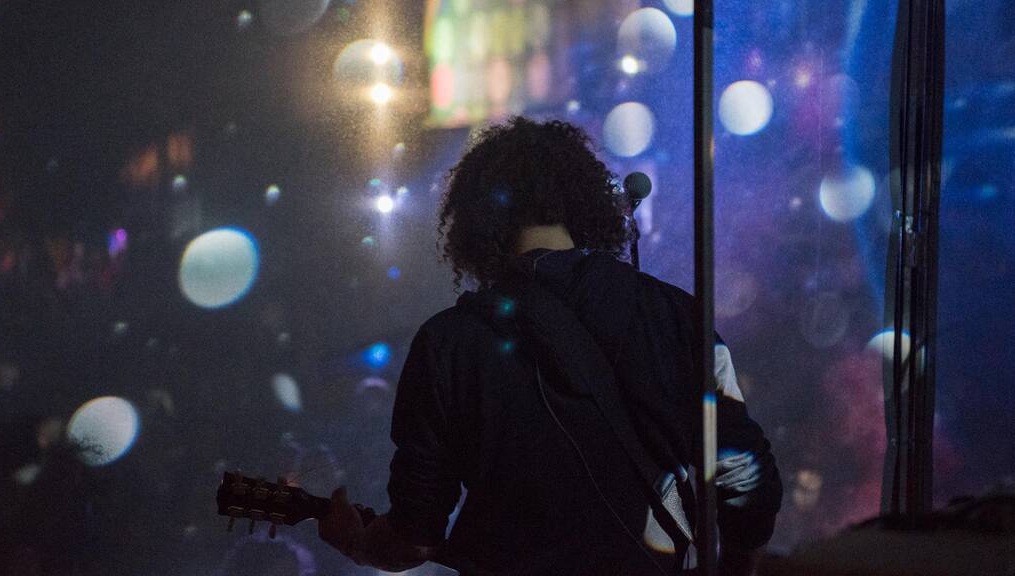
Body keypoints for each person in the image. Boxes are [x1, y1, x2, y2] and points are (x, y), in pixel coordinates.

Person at [319, 116, 782, 575]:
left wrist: (358, 541)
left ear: (476, 220)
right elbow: (747, 479)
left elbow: (414, 536)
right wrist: (735, 566)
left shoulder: (447, 344)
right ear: (587, 201)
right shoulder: (675, 314)